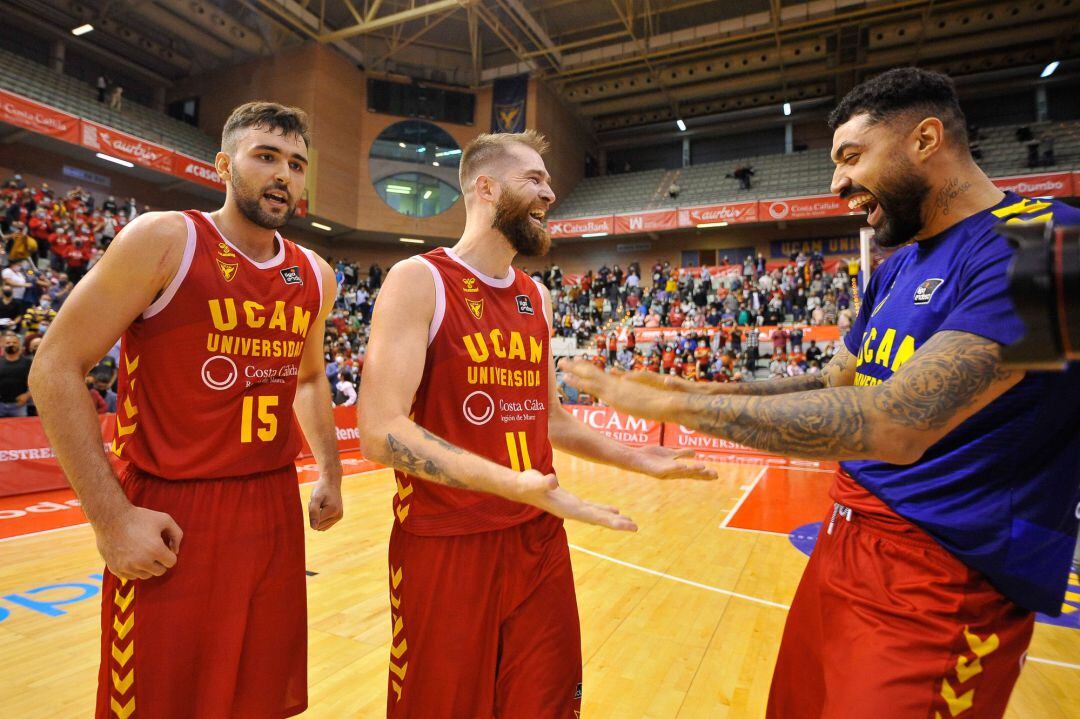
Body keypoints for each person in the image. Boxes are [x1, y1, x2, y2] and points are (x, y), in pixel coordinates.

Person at [561, 67, 1080, 719]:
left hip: (947, 581)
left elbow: (898, 423)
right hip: (844, 546)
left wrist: (681, 407)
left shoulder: (1046, 243)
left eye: (851, 157)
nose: (835, 182)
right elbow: (836, 381)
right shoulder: (896, 265)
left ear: (926, 139)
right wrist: (698, 385)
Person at [357, 129, 714, 719]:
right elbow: (379, 431)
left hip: (538, 535)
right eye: (536, 179)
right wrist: (505, 482)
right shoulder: (418, 280)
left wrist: (636, 457)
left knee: (545, 703)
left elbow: (548, 419)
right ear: (487, 188)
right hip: (448, 542)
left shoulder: (536, 298)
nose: (550, 193)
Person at [30, 102, 344, 719]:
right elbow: (55, 367)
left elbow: (308, 380)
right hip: (176, 507)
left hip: (272, 505)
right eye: (266, 157)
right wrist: (111, 518)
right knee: (158, 701)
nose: (283, 174)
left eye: (296, 164)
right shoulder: (165, 239)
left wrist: (329, 473)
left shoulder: (315, 272)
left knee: (259, 699)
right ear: (224, 165)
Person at [0, 331, 32, 417]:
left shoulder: (28, 362)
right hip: (1, 405)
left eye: (14, 342)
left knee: (21, 430)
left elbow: (36, 383)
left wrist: (27, 395)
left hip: (19, 406)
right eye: (8, 343)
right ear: (2, 345)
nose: (11, 344)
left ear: (19, 345)